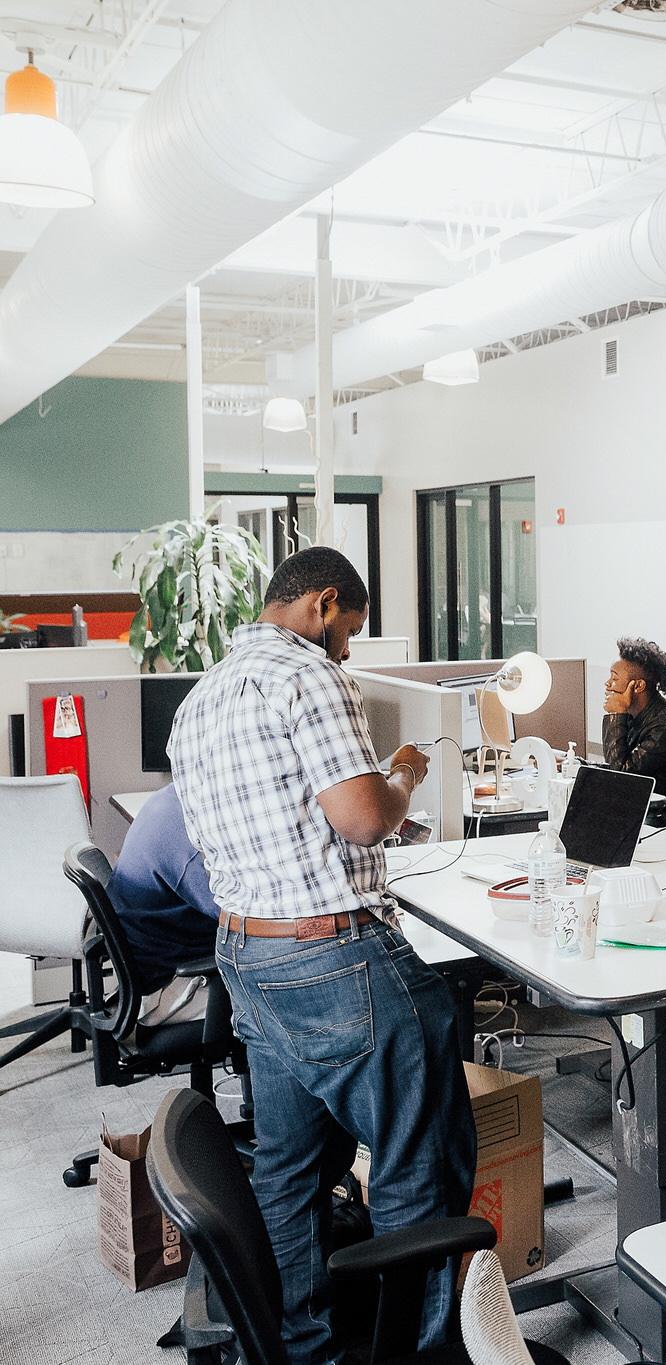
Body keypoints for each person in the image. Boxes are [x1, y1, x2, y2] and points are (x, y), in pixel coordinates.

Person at [169, 547, 475, 1365]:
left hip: (248, 954)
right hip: (330, 954)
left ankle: (305, 1348)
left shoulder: (198, 700)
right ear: (322, 604)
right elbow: (365, 818)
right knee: (420, 1153)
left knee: (291, 1165)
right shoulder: (309, 674)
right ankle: (420, 1351)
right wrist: (400, 775)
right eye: (348, 631)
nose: (347, 649)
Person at [106, 782, 220, 1026]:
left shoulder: (169, 799)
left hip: (148, 970)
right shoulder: (191, 841)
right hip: (168, 990)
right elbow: (238, 916)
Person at [602, 636, 666, 816]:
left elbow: (621, 776)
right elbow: (621, 761)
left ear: (638, 686)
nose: (607, 683)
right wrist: (577, 764)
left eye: (614, 678)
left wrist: (616, 714)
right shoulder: (636, 713)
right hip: (653, 802)